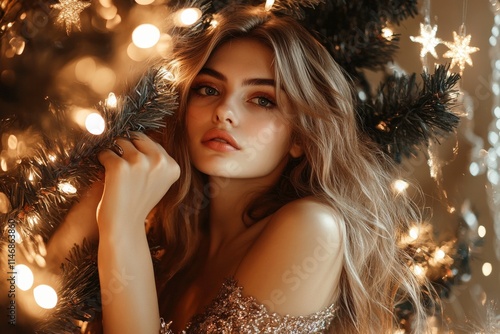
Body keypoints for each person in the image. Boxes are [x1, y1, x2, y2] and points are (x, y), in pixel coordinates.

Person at [50, 4, 431, 333]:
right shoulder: (177, 241)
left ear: (300, 136)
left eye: (262, 100)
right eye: (208, 89)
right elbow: (30, 300)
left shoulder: (313, 227)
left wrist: (121, 226)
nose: (224, 112)